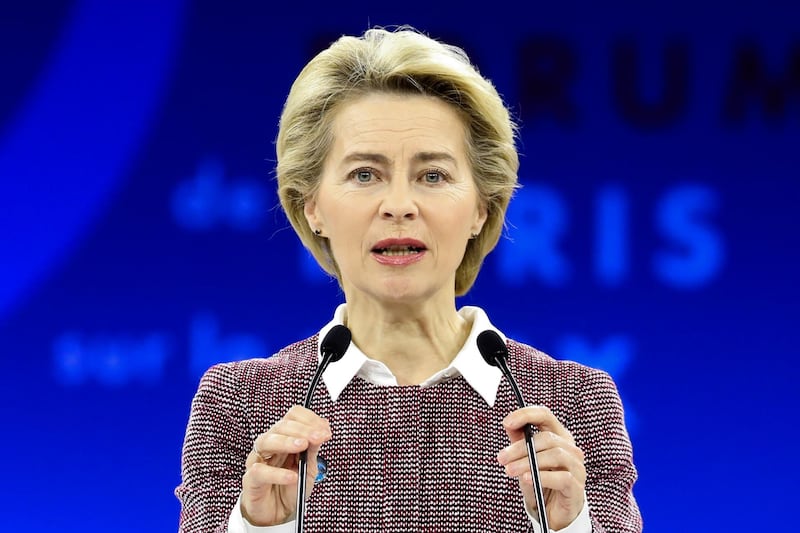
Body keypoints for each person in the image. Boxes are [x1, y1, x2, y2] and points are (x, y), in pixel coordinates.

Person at [175, 26, 642, 533]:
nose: (399, 205)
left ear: (481, 209)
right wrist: (260, 527)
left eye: (433, 176)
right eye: (364, 174)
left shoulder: (573, 401)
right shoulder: (240, 402)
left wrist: (571, 524)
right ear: (312, 207)